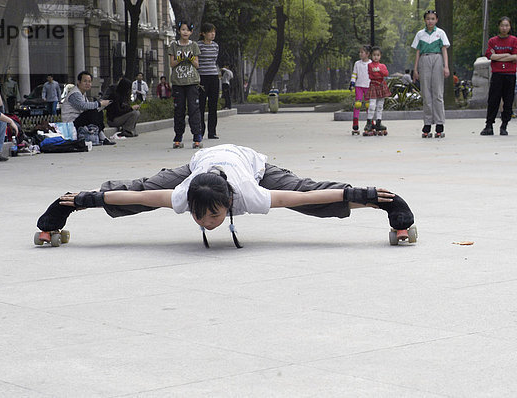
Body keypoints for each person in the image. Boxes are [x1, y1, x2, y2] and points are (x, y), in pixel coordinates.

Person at [35, 144, 416, 248]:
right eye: (201, 219)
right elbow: (132, 199)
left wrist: (363, 195)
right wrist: (85, 200)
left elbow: (301, 198)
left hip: (253, 165)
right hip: (197, 167)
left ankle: (384, 205)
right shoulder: (186, 194)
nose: (208, 224)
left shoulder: (249, 194)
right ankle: (67, 205)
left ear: (230, 205)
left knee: (311, 197)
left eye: (214, 217)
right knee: (141, 191)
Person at [412, 10, 450, 139]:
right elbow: (417, 52)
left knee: (437, 93)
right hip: (424, 59)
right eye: (428, 19)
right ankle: (427, 123)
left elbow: (444, 50)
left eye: (433, 18)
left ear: (436, 20)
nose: (430, 21)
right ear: (425, 20)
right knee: (426, 93)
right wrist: (415, 69)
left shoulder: (440, 33)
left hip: (437, 59)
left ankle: (440, 124)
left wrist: (446, 66)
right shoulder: (420, 34)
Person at [480, 17, 517, 136]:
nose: (504, 28)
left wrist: (500, 56)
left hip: (510, 74)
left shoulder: (514, 40)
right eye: (502, 25)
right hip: (497, 74)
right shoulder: (492, 41)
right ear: (499, 26)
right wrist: (507, 56)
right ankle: (489, 125)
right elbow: (490, 56)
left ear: (510, 27)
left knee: (508, 100)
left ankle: (504, 125)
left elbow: (515, 57)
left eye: (507, 25)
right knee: (493, 100)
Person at [168, 21, 202, 149]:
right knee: (179, 110)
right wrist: (181, 58)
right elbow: (172, 64)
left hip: (192, 82)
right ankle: (178, 137)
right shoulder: (173, 46)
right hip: (178, 82)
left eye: (188, 30)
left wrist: (191, 58)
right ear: (179, 31)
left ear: (191, 32)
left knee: (194, 109)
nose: (185, 32)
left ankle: (197, 136)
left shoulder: (194, 45)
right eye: (183, 30)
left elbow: (197, 64)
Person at [60, 71, 114, 146]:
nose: (87, 84)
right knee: (94, 111)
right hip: (71, 124)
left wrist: (101, 105)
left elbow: (88, 107)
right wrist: (99, 103)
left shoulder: (82, 94)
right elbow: (83, 106)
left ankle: (101, 136)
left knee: (97, 111)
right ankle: (101, 137)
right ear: (78, 82)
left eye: (89, 81)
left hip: (78, 120)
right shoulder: (75, 94)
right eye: (85, 81)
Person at [198, 22, 220, 139]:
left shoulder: (215, 46)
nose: (213, 34)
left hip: (214, 76)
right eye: (210, 32)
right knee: (201, 105)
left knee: (213, 105)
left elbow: (214, 60)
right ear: (203, 34)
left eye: (214, 32)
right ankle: (200, 130)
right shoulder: (198, 45)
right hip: (202, 77)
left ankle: (212, 131)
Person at [365, 46, 391, 136]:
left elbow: (386, 73)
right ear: (371, 56)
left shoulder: (382, 65)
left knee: (380, 105)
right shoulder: (369, 65)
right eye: (374, 55)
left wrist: (378, 71)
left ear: (380, 56)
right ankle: (369, 123)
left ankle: (379, 122)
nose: (376, 57)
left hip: (381, 86)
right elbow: (371, 75)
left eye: (378, 55)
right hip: (373, 85)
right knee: (372, 105)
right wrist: (379, 72)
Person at [349, 45, 372, 135]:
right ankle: (355, 124)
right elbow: (354, 74)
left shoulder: (371, 64)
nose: (360, 54)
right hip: (359, 86)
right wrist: (352, 83)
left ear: (367, 54)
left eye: (362, 52)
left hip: (368, 86)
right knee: (357, 104)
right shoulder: (357, 63)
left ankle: (370, 123)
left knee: (368, 105)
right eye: (360, 52)